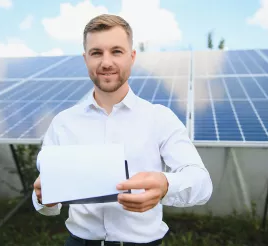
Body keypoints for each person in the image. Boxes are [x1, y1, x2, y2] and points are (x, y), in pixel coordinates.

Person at [32, 14, 213, 246]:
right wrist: (43, 199)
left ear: (132, 56)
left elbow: (202, 183)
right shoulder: (63, 123)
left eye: (116, 51)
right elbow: (48, 202)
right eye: (96, 52)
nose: (106, 62)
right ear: (85, 58)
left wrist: (166, 184)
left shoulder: (159, 118)